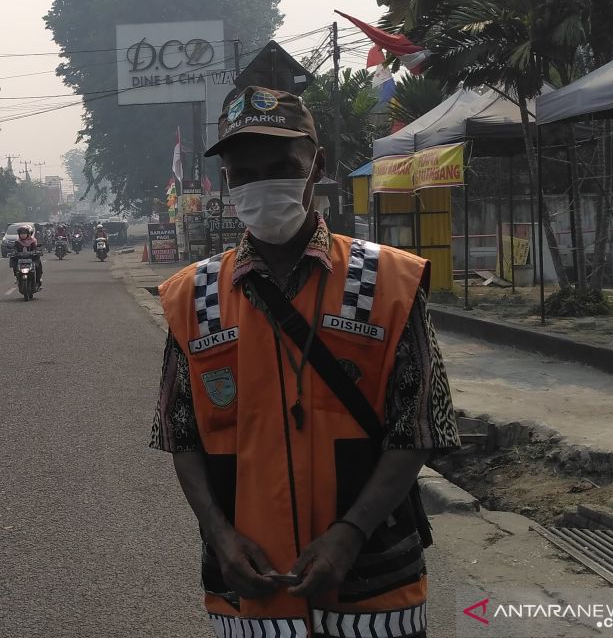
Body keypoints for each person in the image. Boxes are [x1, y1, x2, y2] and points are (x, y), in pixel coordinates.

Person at [150, 87, 459, 637]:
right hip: (249, 585)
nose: (260, 183)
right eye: (244, 173)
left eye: (279, 166)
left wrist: (349, 534)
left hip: (373, 583)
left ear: (316, 165)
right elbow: (182, 437)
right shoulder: (191, 296)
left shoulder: (389, 281)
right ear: (226, 180)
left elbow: (420, 427)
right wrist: (220, 537)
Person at [9, 224, 42, 289]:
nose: (23, 235)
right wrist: (14, 253)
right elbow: (14, 249)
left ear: (28, 234)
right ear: (19, 235)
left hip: (31, 259)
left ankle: (37, 281)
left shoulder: (32, 241)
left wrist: (36, 252)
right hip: (20, 259)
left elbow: (35, 249)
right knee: (13, 262)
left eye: (24, 233)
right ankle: (17, 277)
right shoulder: (17, 242)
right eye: (21, 234)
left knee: (38, 266)